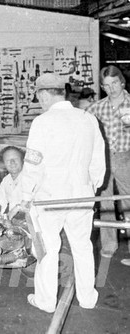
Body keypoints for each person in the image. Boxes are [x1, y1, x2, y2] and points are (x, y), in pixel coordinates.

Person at [19, 73, 105, 313]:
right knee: (82, 246)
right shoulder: (88, 119)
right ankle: (88, 299)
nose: (39, 101)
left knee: (48, 248)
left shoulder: (43, 122)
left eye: (39, 96)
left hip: (50, 199)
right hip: (82, 196)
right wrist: (92, 187)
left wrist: (26, 196)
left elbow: (33, 164)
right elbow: (98, 161)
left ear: (44, 94)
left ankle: (46, 301)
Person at [87, 65, 130, 265]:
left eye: (114, 83)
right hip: (103, 159)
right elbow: (83, 128)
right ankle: (109, 245)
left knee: (129, 203)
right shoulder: (96, 108)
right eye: (106, 85)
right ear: (103, 88)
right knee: (105, 204)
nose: (112, 89)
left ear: (122, 82)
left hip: (126, 158)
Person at [0, 146, 25, 219]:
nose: (12, 162)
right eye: (8, 160)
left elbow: (34, 204)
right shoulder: (6, 180)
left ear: (22, 160)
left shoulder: (31, 179)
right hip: (12, 222)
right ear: (4, 164)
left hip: (29, 223)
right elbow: (0, 202)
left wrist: (17, 208)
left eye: (15, 159)